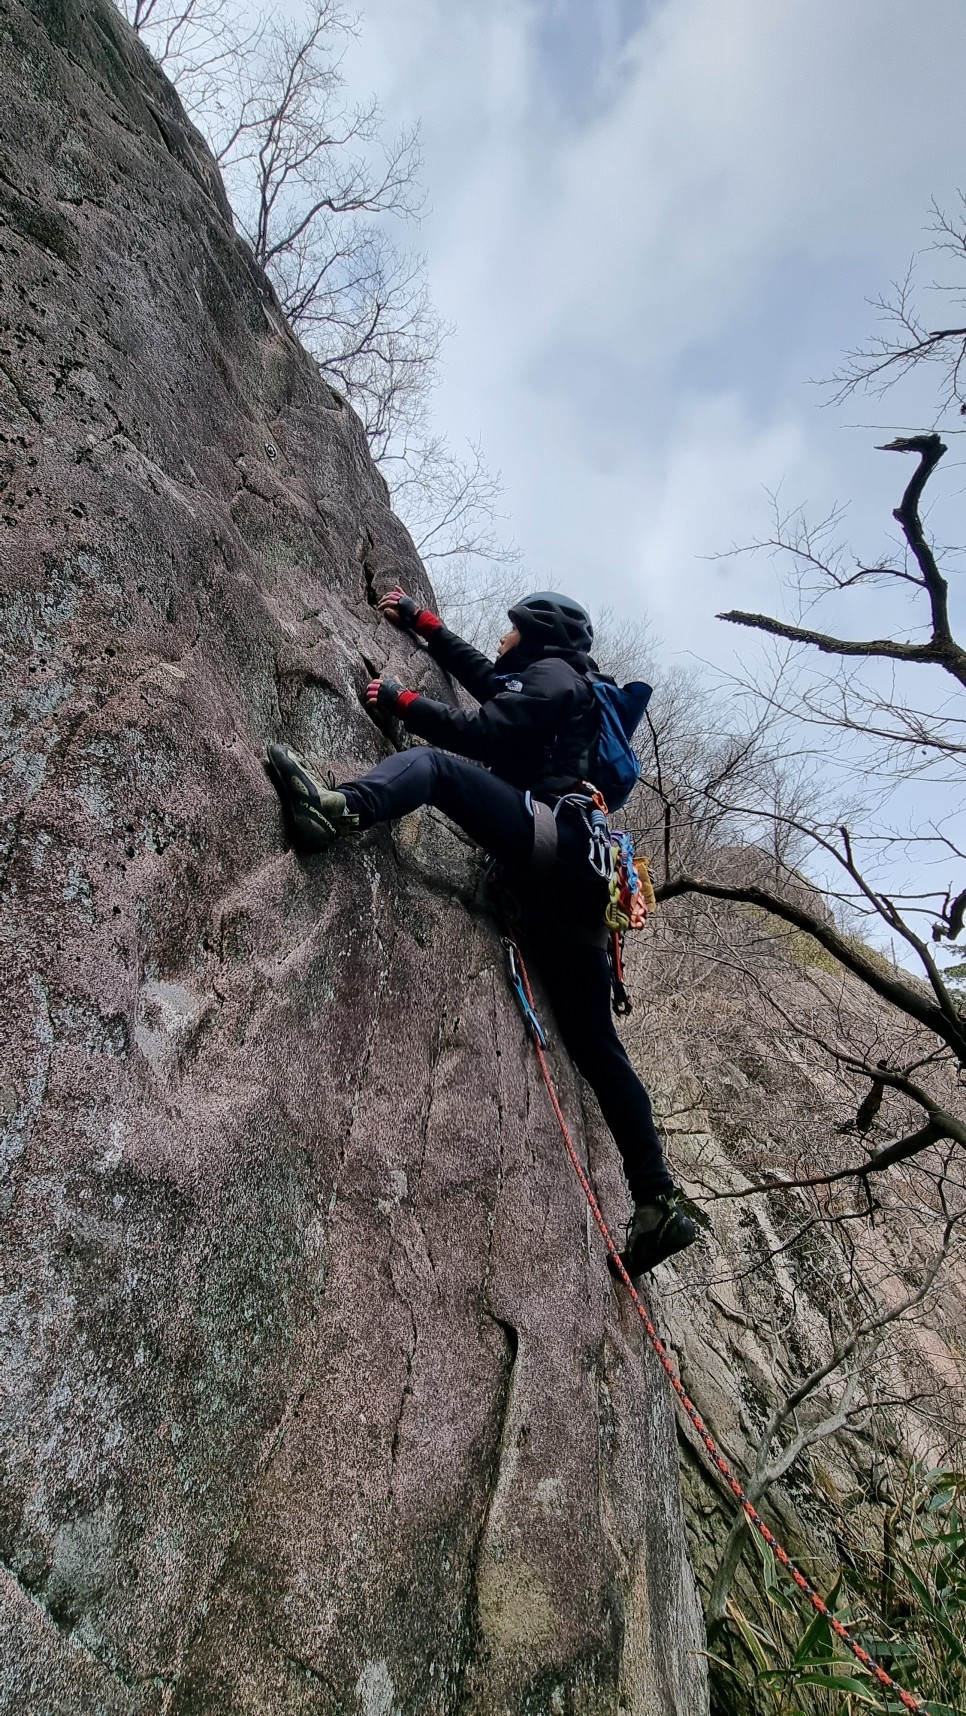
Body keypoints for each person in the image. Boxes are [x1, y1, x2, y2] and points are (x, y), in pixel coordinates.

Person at [264, 589, 697, 1276]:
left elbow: (489, 730)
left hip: (551, 843)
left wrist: (405, 705)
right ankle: (657, 1200)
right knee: (597, 1047)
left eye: (508, 632)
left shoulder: (557, 675)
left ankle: (339, 809)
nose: (500, 642)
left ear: (534, 634)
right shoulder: (562, 687)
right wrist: (423, 624)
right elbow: (489, 680)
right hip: (583, 891)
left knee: (435, 770)